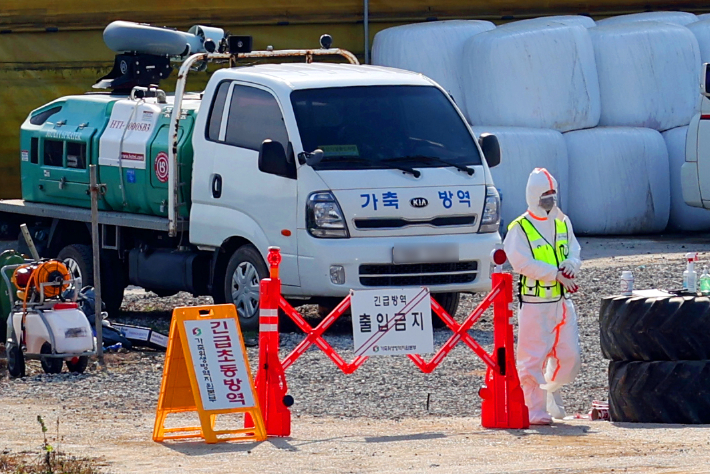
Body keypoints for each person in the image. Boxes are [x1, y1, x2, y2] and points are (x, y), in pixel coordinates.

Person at [503, 168, 582, 425]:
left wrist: (572, 264)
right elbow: (520, 262)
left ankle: (550, 392)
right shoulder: (520, 228)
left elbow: (574, 248)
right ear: (534, 195)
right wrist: (553, 274)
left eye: (553, 193)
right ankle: (535, 409)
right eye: (546, 194)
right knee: (531, 358)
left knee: (570, 356)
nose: (550, 198)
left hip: (561, 302)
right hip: (536, 304)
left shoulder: (562, 221)